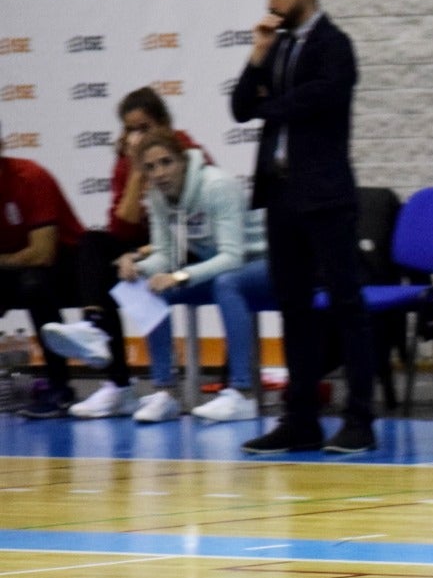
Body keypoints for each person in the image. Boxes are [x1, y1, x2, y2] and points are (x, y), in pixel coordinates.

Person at [230, 0, 375, 454]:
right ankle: (301, 418)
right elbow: (243, 107)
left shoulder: (336, 46)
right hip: (281, 194)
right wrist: (256, 56)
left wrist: (274, 103)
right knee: (292, 307)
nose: (270, 1)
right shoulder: (277, 44)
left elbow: (318, 100)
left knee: (346, 304)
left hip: (326, 193)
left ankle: (360, 419)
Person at [46, 129, 267, 422]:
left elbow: (232, 256)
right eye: (150, 167)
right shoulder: (160, 196)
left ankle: (243, 394)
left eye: (166, 163)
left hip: (265, 263)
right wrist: (139, 266)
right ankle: (165, 391)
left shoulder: (216, 185)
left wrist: (179, 277)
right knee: (146, 286)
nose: (159, 173)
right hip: (218, 269)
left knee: (228, 282)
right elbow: (166, 253)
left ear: (183, 161)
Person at [39, 87, 215, 418]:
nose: (137, 136)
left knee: (141, 271)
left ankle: (163, 388)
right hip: (150, 242)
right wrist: (136, 170)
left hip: (192, 244)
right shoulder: (128, 161)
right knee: (93, 243)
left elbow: (196, 218)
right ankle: (102, 347)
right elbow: (121, 228)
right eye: (130, 129)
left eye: (145, 127)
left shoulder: (183, 151)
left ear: (163, 124)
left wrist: (142, 254)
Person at [0, 122, 85, 418]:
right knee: (26, 280)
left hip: (71, 266)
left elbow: (43, 253)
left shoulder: (30, 178)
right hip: (14, 266)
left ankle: (60, 388)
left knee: (34, 284)